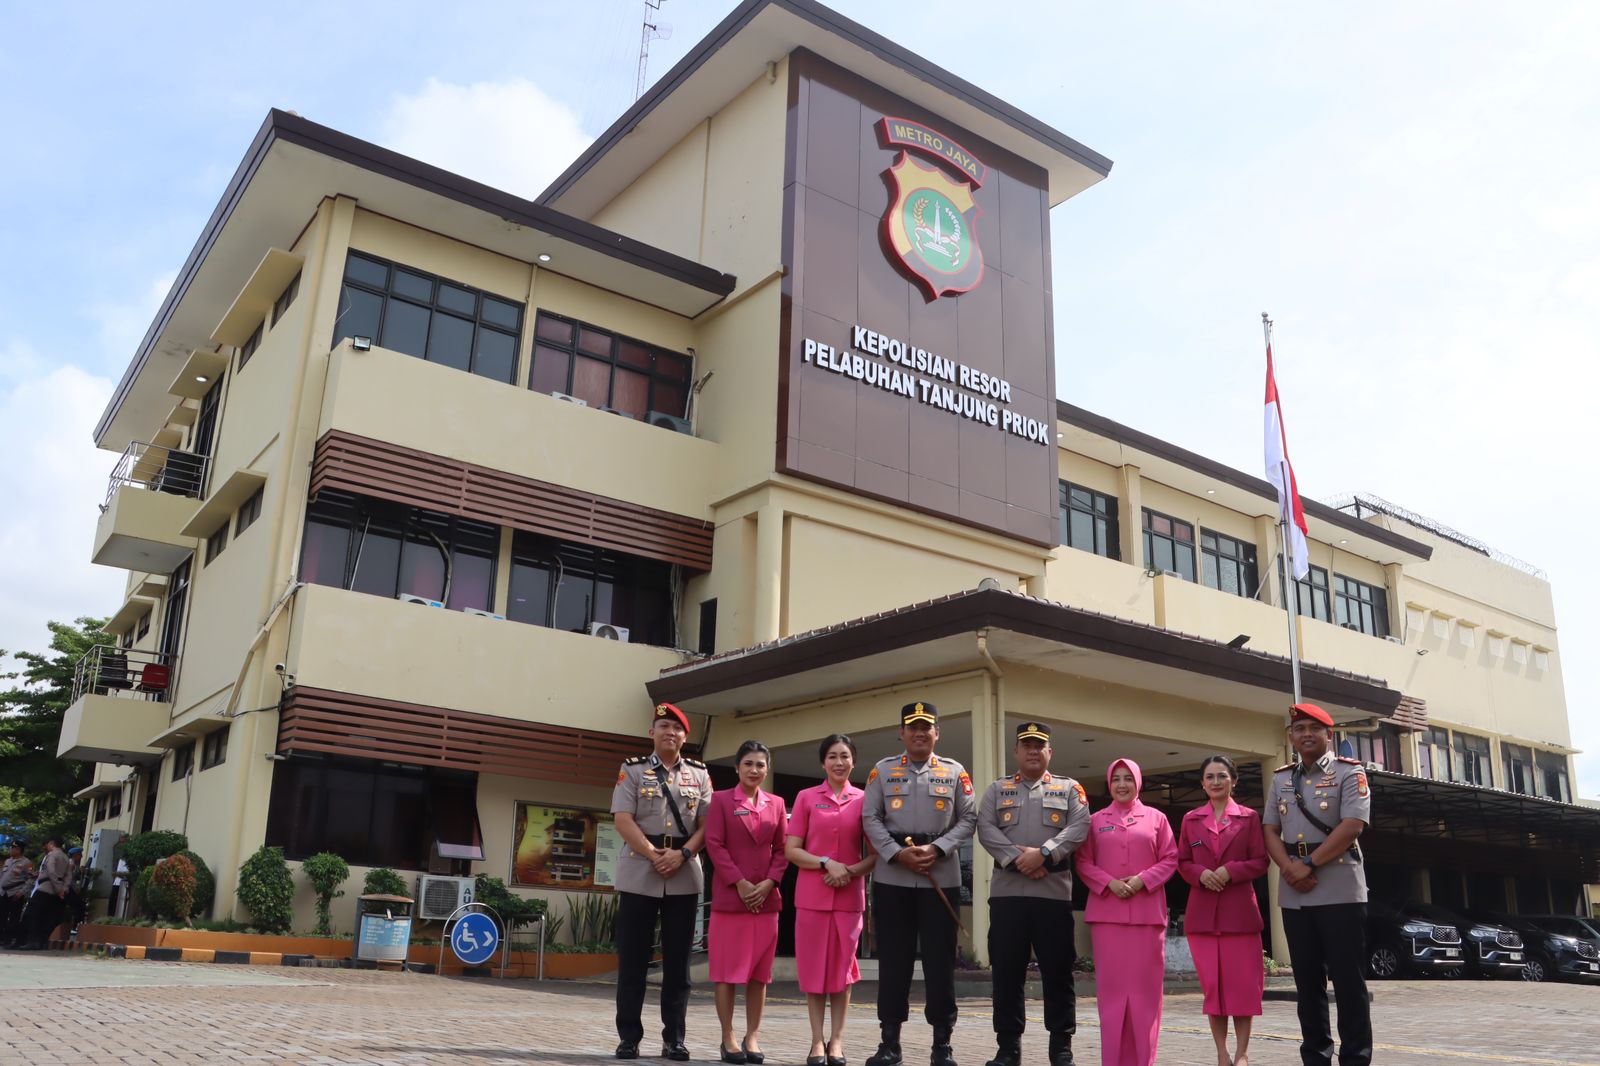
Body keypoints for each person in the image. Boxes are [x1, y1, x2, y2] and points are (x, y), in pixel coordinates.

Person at [861, 701, 977, 1066]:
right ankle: (889, 1042)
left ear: (937, 733)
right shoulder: (882, 771)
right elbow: (870, 818)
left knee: (940, 964)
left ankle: (942, 1043)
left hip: (939, 875)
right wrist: (896, 854)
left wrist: (939, 848)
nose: (920, 732)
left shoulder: (955, 772)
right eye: (913, 727)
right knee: (893, 963)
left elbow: (969, 817)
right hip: (894, 876)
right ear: (902, 733)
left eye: (927, 727)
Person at [1262, 703, 1372, 1066]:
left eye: (1314, 728)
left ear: (1330, 735)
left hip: (1339, 885)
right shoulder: (1281, 779)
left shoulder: (1348, 773)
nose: (1306, 734)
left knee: (1347, 982)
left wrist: (1308, 863)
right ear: (1291, 737)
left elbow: (1352, 825)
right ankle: (1316, 1058)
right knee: (1308, 985)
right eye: (1299, 729)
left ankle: (1355, 1058)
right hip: (1296, 890)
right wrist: (1289, 868)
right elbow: (1269, 829)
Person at [975, 722, 1091, 1066]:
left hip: (1053, 897)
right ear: (1016, 751)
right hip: (1008, 897)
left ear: (1049, 752)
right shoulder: (997, 790)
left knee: (1058, 972)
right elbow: (985, 828)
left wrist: (1044, 853)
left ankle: (1061, 1046)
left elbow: (1080, 825)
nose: (1032, 751)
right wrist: (1018, 858)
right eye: (1026, 745)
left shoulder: (1069, 788)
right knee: (1007, 973)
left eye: (1039, 745)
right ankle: (1008, 1048)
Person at [610, 702, 715, 1061]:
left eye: (677, 728)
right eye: (663, 726)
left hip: (683, 874)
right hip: (641, 871)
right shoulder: (633, 770)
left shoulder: (700, 775)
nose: (670, 732)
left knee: (678, 963)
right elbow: (622, 818)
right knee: (633, 961)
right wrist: (653, 853)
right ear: (651, 732)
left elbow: (706, 825)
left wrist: (682, 855)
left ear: (686, 736)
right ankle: (628, 1037)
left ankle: (675, 1039)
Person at [1074, 759, 1178, 1066]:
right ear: (1109, 784)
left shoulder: (1157, 818)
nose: (1122, 784)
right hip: (1108, 916)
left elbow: (1171, 858)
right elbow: (1082, 862)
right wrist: (1108, 884)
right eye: (1116, 779)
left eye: (1128, 779)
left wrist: (1142, 881)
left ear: (1138, 782)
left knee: (1146, 997)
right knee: (1112, 997)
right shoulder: (1095, 820)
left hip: (1147, 916)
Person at [786, 734, 876, 1066]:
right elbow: (791, 850)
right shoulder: (807, 797)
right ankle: (815, 1042)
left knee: (842, 973)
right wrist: (826, 862)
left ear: (854, 761)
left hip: (849, 898)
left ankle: (836, 1041)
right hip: (811, 897)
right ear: (823, 762)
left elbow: (876, 854)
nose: (839, 762)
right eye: (833, 757)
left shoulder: (865, 800)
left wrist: (849, 871)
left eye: (845, 756)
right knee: (813, 972)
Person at [1177, 756, 1270, 1066]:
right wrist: (1200, 874)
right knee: (1214, 993)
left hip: (1239, 915)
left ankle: (1243, 1054)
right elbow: (1182, 861)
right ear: (1202, 783)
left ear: (1234, 780)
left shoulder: (1248, 818)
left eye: (1221, 776)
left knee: (1243, 991)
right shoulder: (1191, 819)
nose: (1215, 782)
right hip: (1203, 917)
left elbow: (1260, 861)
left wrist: (1231, 871)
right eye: (1209, 777)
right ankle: (1222, 1054)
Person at [703, 740, 789, 1064]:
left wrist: (768, 883)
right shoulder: (721, 800)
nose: (755, 770)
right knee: (727, 973)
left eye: (761, 765)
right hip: (731, 898)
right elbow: (714, 844)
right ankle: (727, 1038)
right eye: (748, 764)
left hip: (766, 902)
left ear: (767, 769)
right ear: (738, 767)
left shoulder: (777, 804)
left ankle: (752, 1036)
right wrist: (739, 883)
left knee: (759, 975)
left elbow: (782, 849)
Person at [20, 836, 73, 950]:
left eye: (47, 844)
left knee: (32, 914)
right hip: (57, 891)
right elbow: (68, 875)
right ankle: (42, 940)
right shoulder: (65, 857)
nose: (46, 846)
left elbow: (51, 871)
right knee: (50, 917)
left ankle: (33, 940)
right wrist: (63, 888)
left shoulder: (52, 855)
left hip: (46, 888)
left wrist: (58, 888)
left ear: (52, 843)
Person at [1, 840, 34, 947]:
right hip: (3, 892)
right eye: (11, 848)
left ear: (19, 850)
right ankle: (2, 938)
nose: (11, 850)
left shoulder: (26, 863)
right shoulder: (7, 861)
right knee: (2, 916)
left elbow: (30, 879)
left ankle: (9, 940)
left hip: (15, 893)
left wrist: (22, 892)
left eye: (13, 848)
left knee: (13, 919)